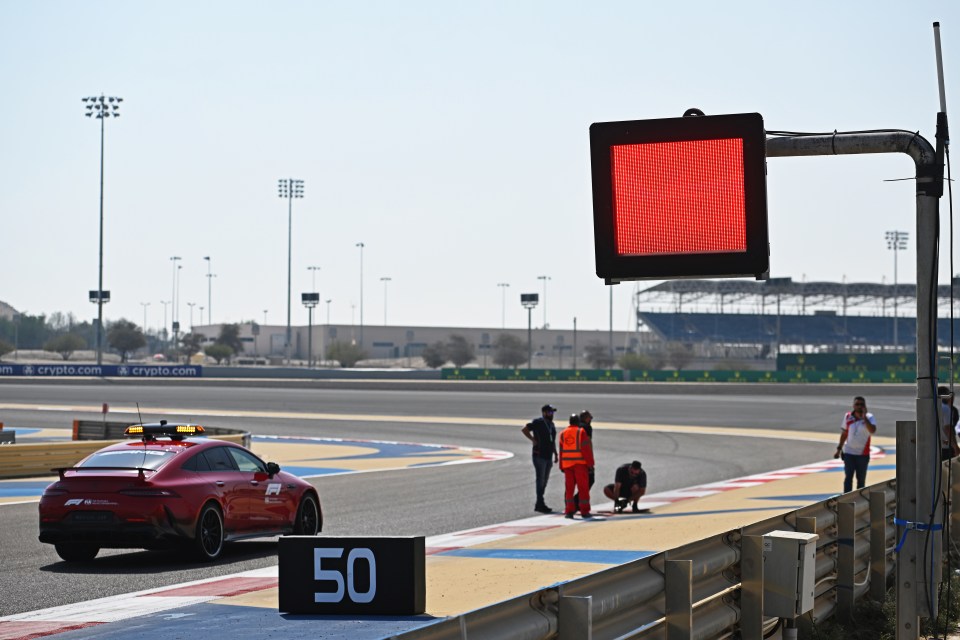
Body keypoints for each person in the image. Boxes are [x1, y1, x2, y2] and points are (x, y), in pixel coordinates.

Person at [834, 396, 877, 493]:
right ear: (853, 406)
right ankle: (846, 500)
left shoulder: (870, 417)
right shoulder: (848, 416)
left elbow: (872, 430)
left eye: (862, 404)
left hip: (863, 455)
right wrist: (839, 449)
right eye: (857, 404)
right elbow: (844, 433)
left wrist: (864, 417)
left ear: (865, 406)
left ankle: (860, 502)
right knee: (848, 477)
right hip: (849, 453)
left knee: (861, 480)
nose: (859, 406)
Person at [521, 404, 558, 513]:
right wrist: (533, 439)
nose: (552, 415)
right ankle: (540, 503)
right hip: (539, 455)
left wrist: (555, 453)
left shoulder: (552, 425)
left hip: (548, 456)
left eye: (553, 413)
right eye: (550, 412)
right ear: (544, 413)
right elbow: (524, 429)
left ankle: (539, 502)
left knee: (545, 480)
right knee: (540, 479)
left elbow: (552, 440)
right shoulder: (538, 422)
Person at [559, 413, 594, 519]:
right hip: (580, 465)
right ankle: (584, 511)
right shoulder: (581, 432)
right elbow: (586, 450)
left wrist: (561, 465)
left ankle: (569, 511)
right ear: (578, 422)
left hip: (567, 465)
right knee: (583, 488)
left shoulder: (563, 433)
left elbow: (561, 450)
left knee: (569, 489)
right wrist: (590, 464)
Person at [572, 410, 595, 510]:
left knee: (572, 483)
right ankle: (577, 502)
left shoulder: (575, 427)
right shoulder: (586, 427)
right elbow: (588, 444)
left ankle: (570, 503)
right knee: (589, 481)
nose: (591, 419)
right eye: (590, 417)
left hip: (572, 459)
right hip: (583, 460)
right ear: (585, 418)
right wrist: (590, 461)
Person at [938, 386, 960, 461]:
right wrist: (955, 446)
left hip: (937, 444)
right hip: (946, 445)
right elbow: (948, 429)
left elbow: (952, 428)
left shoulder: (954, 410)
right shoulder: (946, 409)